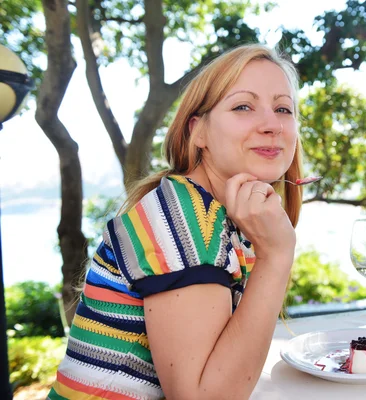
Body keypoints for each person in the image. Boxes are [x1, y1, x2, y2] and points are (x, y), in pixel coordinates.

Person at [48, 43, 304, 400]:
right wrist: (276, 256)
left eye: (283, 108)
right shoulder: (182, 218)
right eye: (243, 106)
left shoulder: (213, 214)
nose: (272, 124)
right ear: (196, 131)